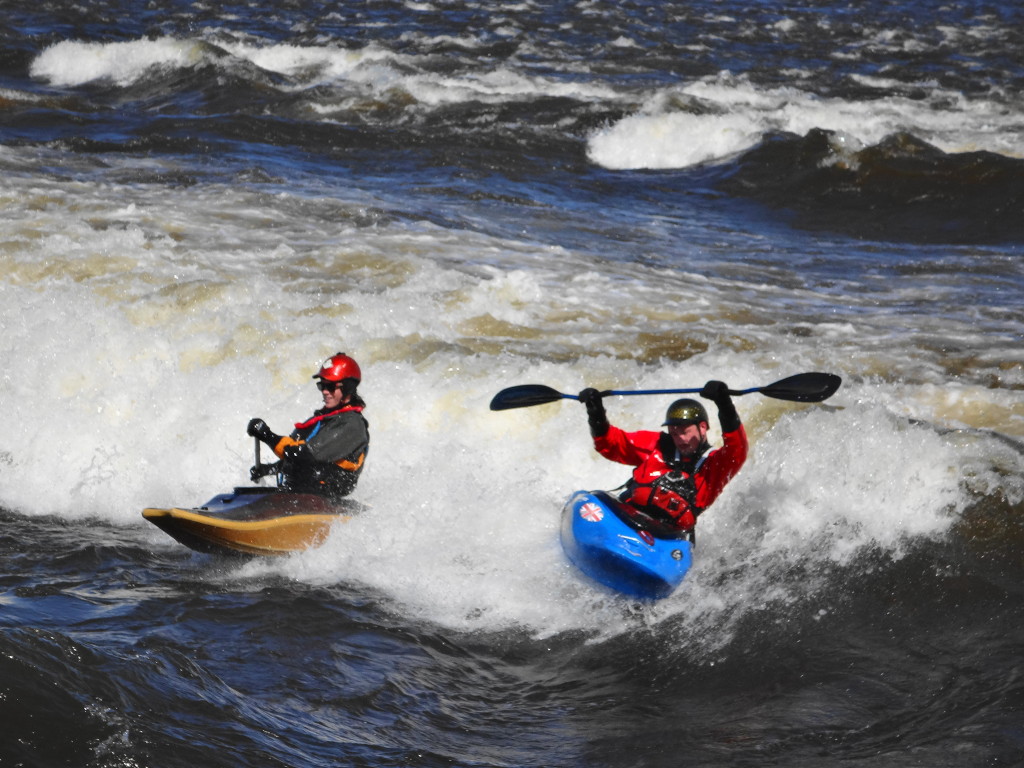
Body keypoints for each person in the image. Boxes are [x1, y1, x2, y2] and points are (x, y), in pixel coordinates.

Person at [578, 381, 747, 533]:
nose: (680, 439)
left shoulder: (714, 465)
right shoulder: (657, 444)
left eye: (685, 432)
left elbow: (737, 448)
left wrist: (724, 404)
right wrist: (596, 413)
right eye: (674, 433)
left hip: (666, 538)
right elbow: (611, 444)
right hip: (626, 516)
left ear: (702, 427)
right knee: (590, 498)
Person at [247, 352, 369, 500]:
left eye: (330, 386)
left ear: (348, 388)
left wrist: (266, 435)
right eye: (322, 385)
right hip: (302, 492)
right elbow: (294, 459)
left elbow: (304, 455)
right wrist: (269, 469)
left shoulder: (352, 425)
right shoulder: (321, 420)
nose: (324, 391)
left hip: (324, 497)